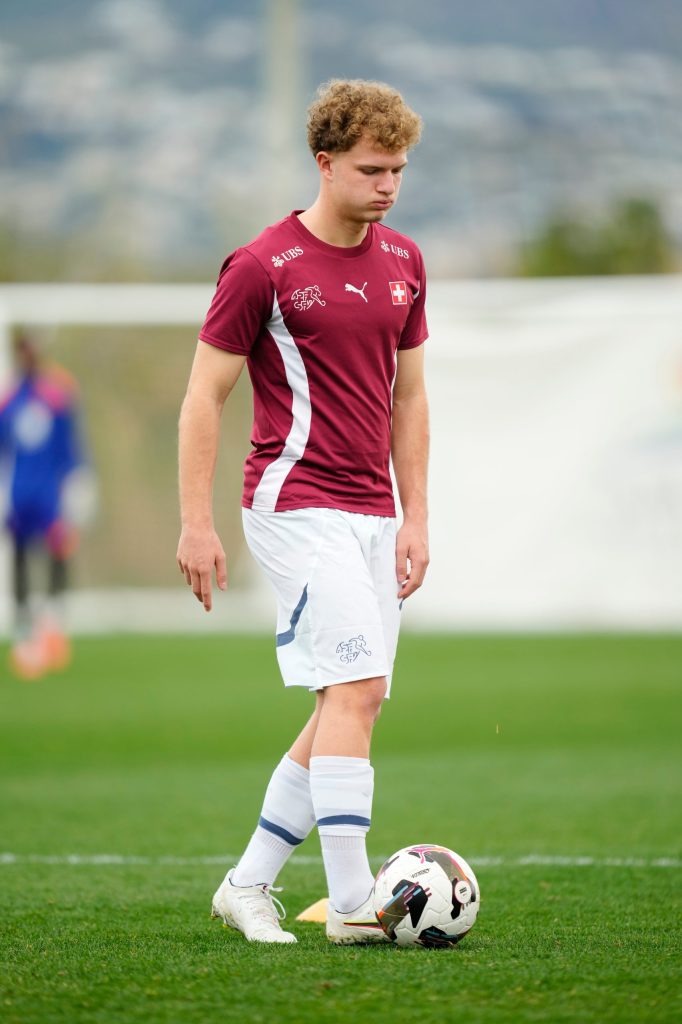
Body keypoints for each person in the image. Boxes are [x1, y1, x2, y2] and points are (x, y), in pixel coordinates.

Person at [177, 79, 429, 945]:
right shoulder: (262, 266)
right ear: (324, 163)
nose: (388, 185)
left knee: (353, 703)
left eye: (398, 170)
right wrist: (196, 521)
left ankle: (247, 883)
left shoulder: (405, 262)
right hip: (293, 505)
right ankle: (354, 901)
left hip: (372, 513)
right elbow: (203, 397)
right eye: (370, 169)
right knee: (353, 689)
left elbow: (410, 399)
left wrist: (416, 516)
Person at [0, 332, 88, 679]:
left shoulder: (58, 395)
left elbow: (70, 445)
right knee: (20, 556)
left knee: (58, 554)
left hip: (51, 494)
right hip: (19, 494)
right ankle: (24, 627)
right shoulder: (9, 399)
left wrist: (78, 480)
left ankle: (52, 625)